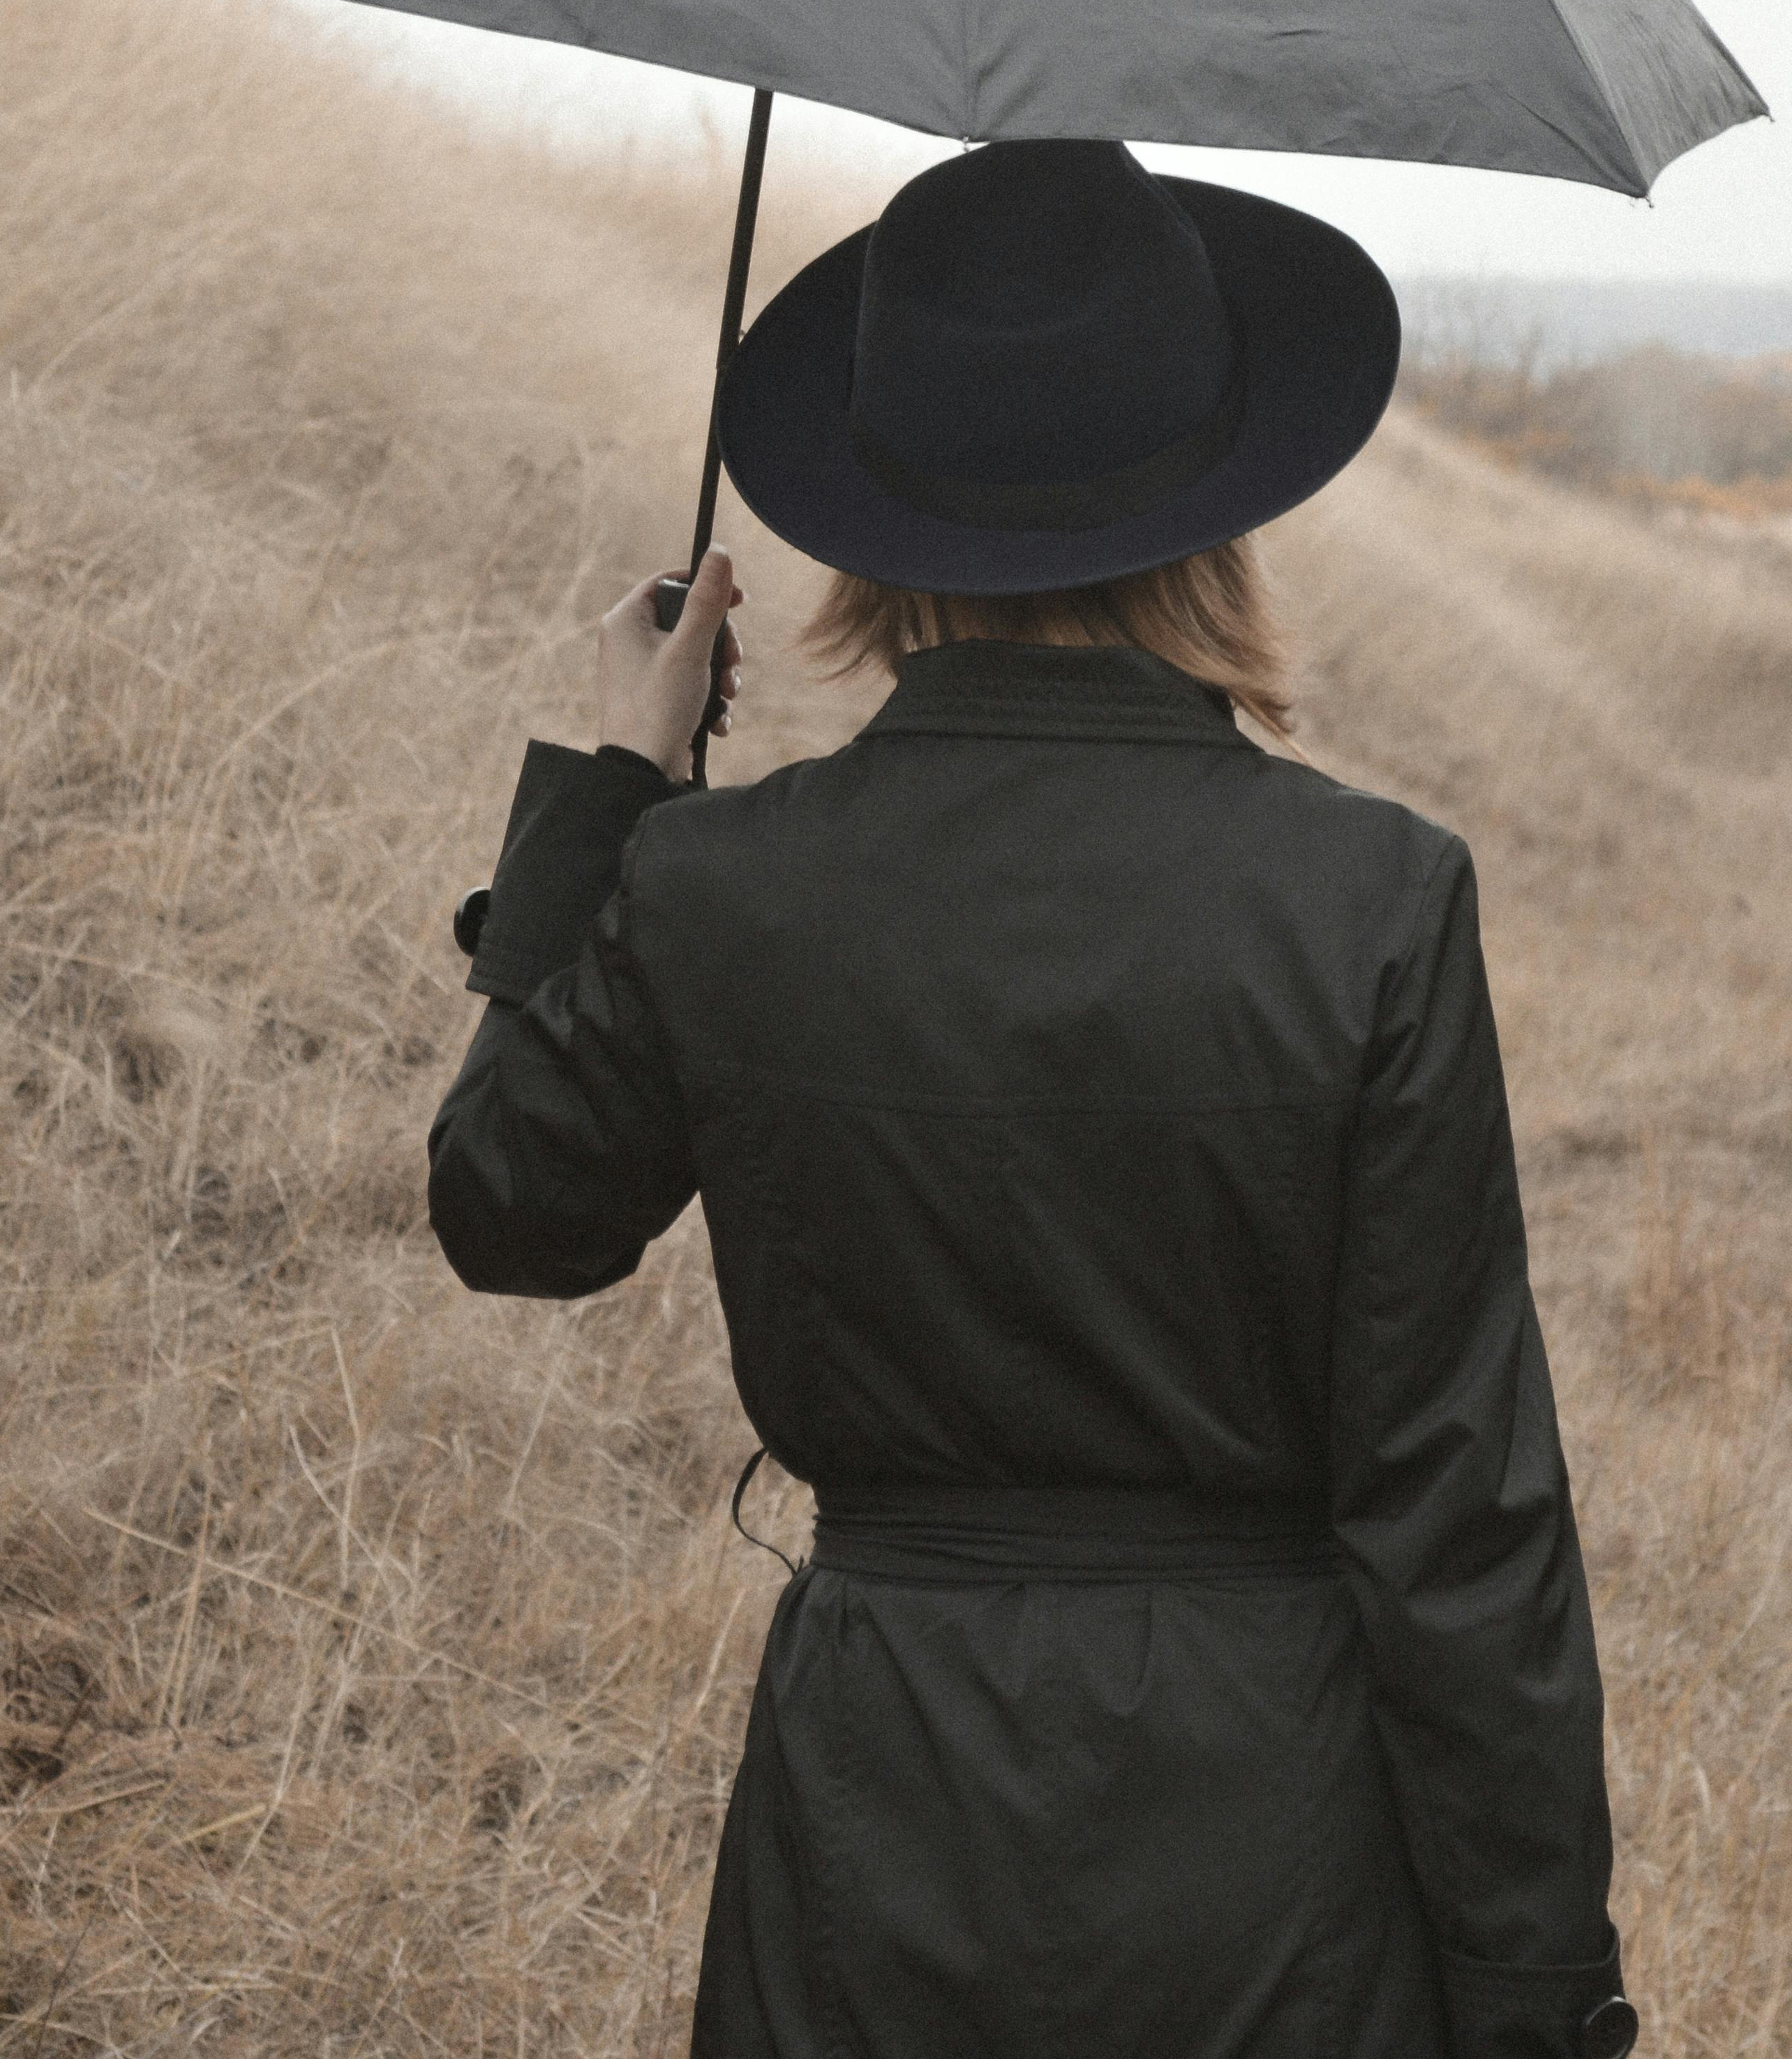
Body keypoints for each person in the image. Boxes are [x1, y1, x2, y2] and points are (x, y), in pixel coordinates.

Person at [428, 140, 1636, 2059]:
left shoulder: (715, 883)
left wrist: (614, 792)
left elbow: (508, 1209)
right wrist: (1535, 1991)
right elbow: (1457, 1510)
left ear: (874, 515)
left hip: (869, 1805)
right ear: (1217, 502)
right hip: (1273, 1840)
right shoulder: (1373, 900)